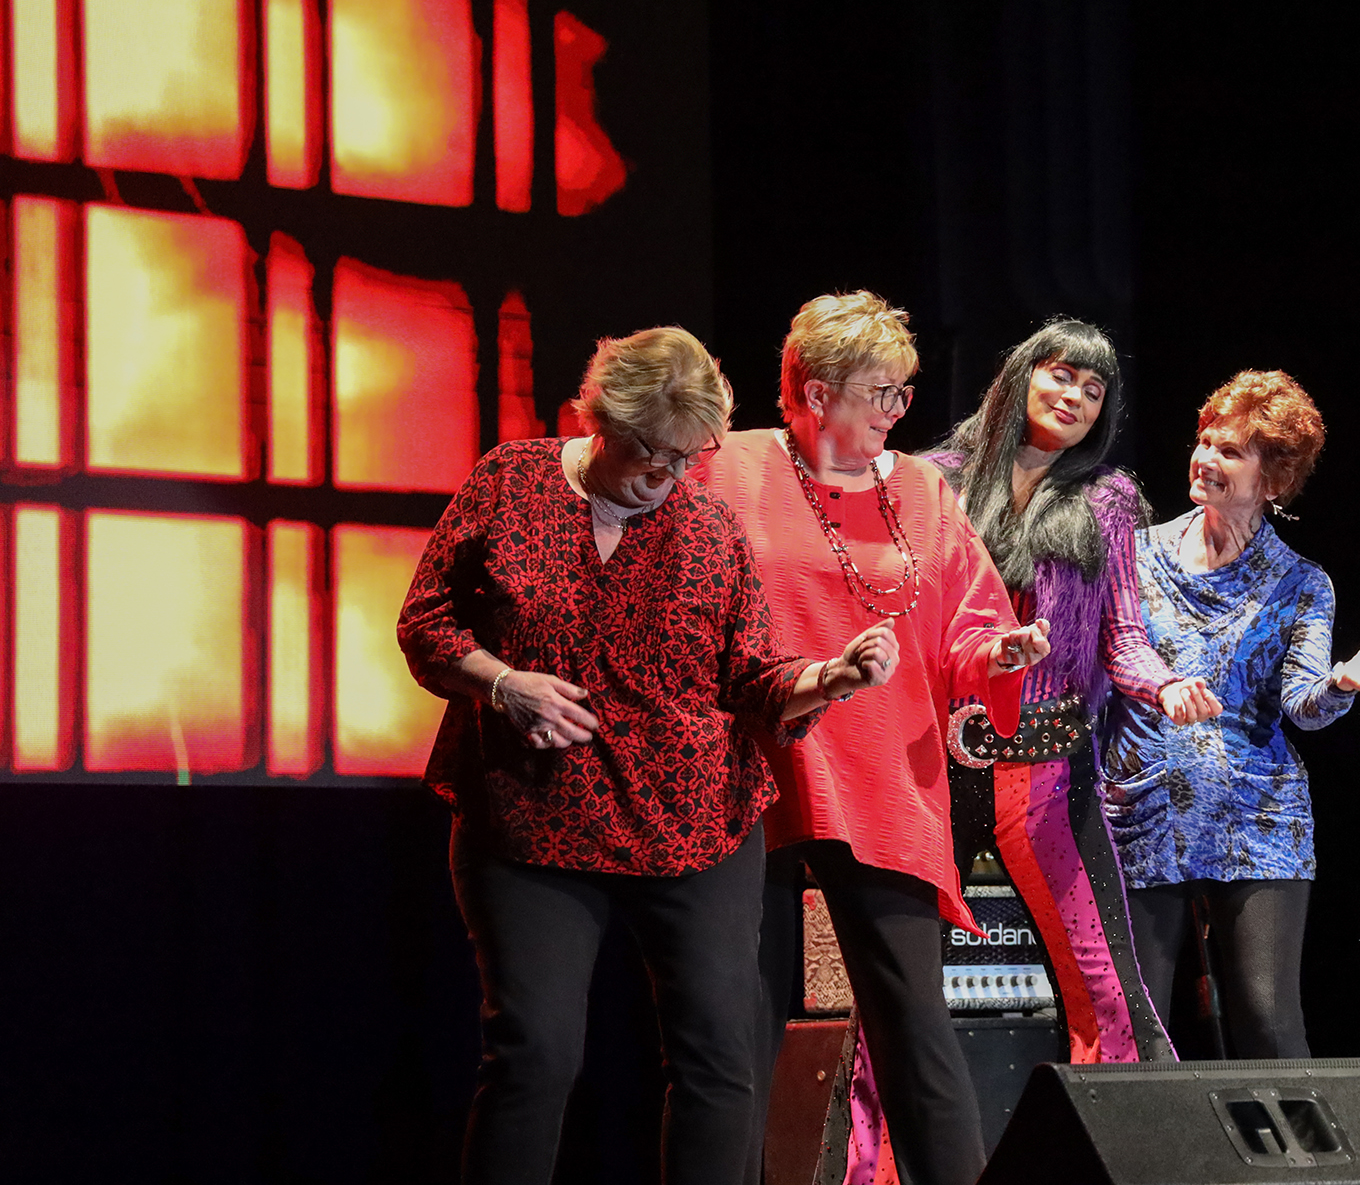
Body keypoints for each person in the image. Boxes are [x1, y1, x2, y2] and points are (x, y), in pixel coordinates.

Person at [397, 326, 899, 1185]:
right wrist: (503, 683)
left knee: (718, 1056)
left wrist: (829, 676)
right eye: (651, 456)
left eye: (685, 460)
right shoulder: (509, 482)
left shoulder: (707, 527)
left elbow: (752, 676)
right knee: (535, 1052)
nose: (667, 479)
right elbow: (427, 626)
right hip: (532, 818)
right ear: (599, 421)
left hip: (692, 823)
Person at [710, 292, 1052, 1185]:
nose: (896, 411)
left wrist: (997, 650)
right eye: (879, 391)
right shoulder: (730, 464)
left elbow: (967, 617)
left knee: (913, 1017)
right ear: (815, 392)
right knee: (733, 1021)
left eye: (903, 392)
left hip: (879, 769)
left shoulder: (922, 488)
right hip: (746, 759)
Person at [929, 319, 1222, 1065]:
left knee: (1108, 990)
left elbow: (1123, 634)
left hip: (1051, 773)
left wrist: (1164, 683)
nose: (1075, 396)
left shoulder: (1107, 497)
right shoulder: (934, 479)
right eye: (1061, 375)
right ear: (1020, 374)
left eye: (1094, 390)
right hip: (934, 767)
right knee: (899, 998)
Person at [1102, 370, 1360, 1058]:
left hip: (1257, 813)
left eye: (1231, 451)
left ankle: (1296, 1166)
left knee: (1267, 1022)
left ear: (1272, 481)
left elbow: (1303, 705)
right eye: (1204, 440)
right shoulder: (1134, 553)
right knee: (1138, 1032)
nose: (1205, 458)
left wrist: (1345, 678)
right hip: (1142, 808)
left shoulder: (1301, 581)